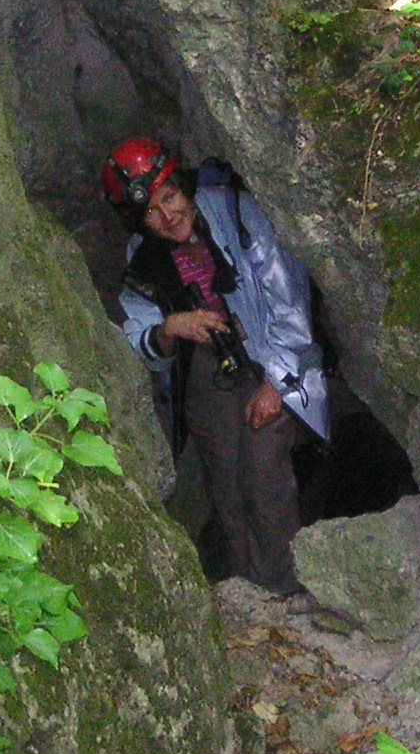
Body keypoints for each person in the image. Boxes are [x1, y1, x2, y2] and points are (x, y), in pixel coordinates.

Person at [103, 139, 328, 591]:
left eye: (170, 197)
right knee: (224, 483)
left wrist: (275, 385)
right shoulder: (142, 256)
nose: (168, 216)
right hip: (208, 367)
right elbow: (138, 340)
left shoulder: (236, 212)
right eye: (152, 212)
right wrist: (171, 328)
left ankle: (285, 588)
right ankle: (248, 590)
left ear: (183, 186)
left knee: (261, 475)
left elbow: (290, 303)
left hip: (269, 353)